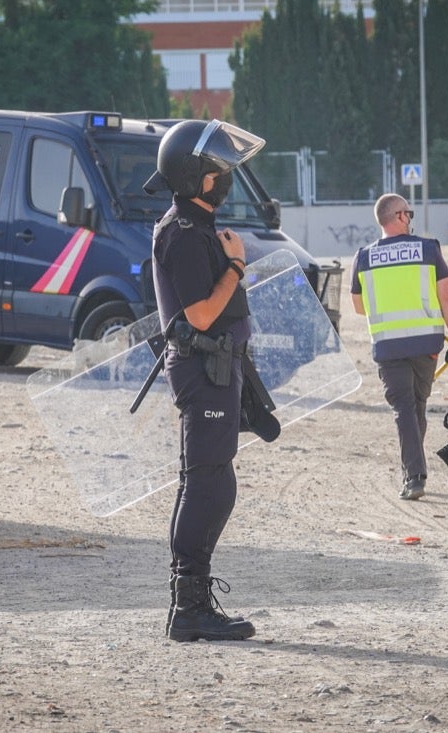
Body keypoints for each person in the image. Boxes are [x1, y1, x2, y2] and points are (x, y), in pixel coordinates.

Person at [143, 119, 266, 642]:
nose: (226, 178)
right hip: (202, 368)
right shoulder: (184, 233)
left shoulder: (197, 227)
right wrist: (235, 266)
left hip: (218, 368)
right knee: (206, 487)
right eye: (218, 170)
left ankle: (190, 603)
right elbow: (199, 315)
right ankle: (188, 609)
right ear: (195, 177)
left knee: (214, 484)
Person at [351, 194, 448, 500]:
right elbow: (445, 297)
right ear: (399, 216)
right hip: (426, 344)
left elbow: (358, 307)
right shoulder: (428, 249)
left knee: (405, 409)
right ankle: (415, 472)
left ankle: (414, 476)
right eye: (408, 213)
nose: (410, 218)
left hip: (389, 347)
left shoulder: (364, 257)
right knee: (416, 405)